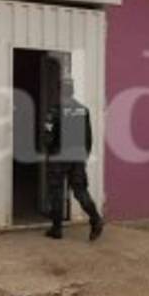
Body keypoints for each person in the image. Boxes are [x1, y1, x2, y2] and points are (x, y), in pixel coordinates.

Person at [43, 77, 104, 241]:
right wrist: (84, 156)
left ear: (60, 91)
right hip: (77, 158)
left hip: (58, 158)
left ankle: (56, 229)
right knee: (80, 190)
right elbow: (88, 137)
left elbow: (48, 139)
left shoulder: (54, 111)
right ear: (73, 90)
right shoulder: (83, 110)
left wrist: (49, 151)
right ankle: (96, 219)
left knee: (56, 192)